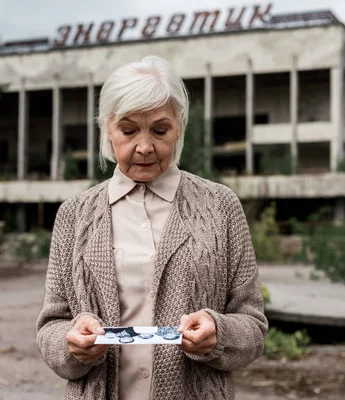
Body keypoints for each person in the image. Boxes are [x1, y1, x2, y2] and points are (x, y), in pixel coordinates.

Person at [36, 55, 268, 400]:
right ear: (107, 130)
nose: (144, 147)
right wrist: (72, 343)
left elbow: (253, 325)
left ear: (180, 128)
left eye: (160, 130)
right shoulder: (74, 215)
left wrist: (219, 334)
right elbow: (51, 326)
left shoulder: (221, 206)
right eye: (128, 131)